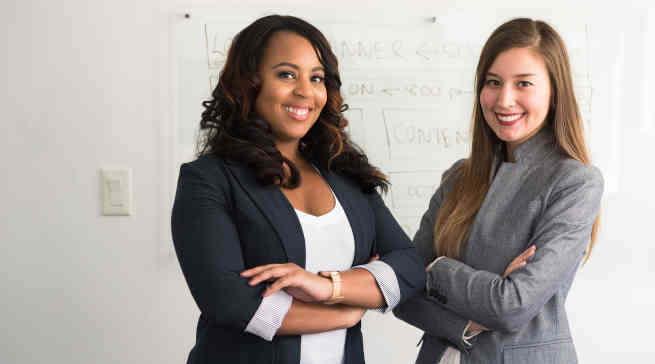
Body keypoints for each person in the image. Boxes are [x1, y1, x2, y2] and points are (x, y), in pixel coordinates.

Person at [171, 15, 425, 364]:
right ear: (250, 82)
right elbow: (228, 302)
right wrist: (345, 313)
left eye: (316, 77)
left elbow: (409, 267)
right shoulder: (210, 179)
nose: (305, 91)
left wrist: (329, 286)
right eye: (287, 74)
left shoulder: (346, 176)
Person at [393, 18, 604, 364]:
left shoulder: (575, 183)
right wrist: (466, 324)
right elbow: (403, 290)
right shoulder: (459, 177)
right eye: (493, 82)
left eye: (524, 84)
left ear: (554, 93)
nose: (505, 100)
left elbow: (512, 304)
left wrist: (438, 268)